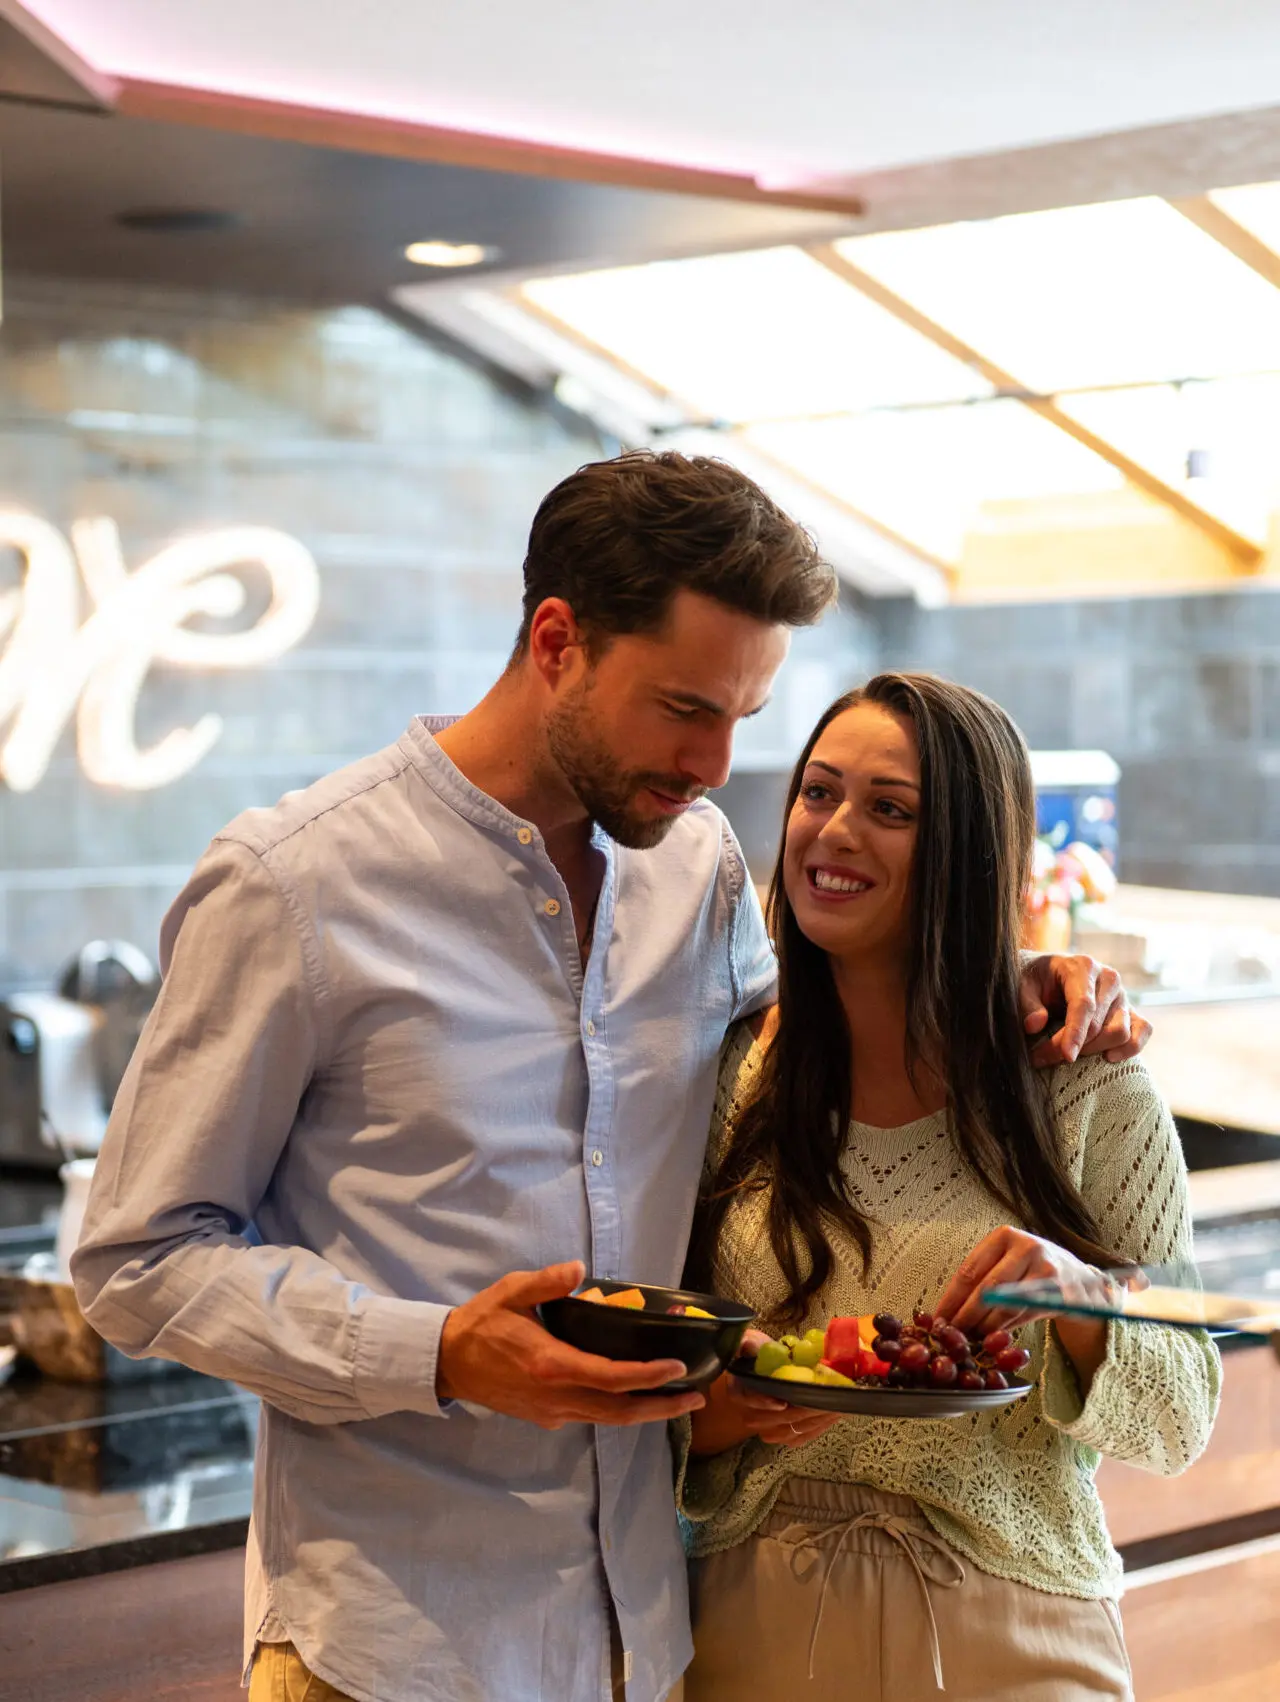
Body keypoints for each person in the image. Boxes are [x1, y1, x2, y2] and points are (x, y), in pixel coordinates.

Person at [72, 455, 1145, 1702]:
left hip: (649, 1644)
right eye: (683, 707)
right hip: (395, 1645)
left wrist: (1007, 971)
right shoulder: (294, 884)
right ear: (556, 641)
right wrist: (437, 1352)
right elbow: (135, 1259)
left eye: (745, 718)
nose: (712, 764)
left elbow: (813, 1045)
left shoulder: (693, 869)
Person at [678, 672, 1219, 1702]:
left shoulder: (1083, 1078)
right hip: (751, 1624)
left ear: (967, 855)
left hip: (1010, 1635)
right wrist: (735, 1402)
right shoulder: (728, 1074)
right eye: (816, 792)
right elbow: (656, 1409)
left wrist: (1076, 1298)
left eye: (889, 809)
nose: (833, 831)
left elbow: (1179, 1417)